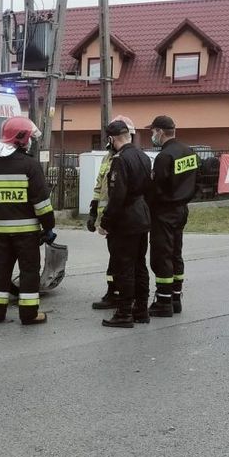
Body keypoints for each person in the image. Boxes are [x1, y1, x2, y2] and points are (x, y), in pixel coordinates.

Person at [0, 116, 55, 325]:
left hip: (2, 233)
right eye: (29, 137)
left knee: (1, 270)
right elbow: (42, 204)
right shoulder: (30, 166)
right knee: (29, 271)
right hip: (28, 234)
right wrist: (49, 227)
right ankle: (29, 314)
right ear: (23, 139)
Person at [97, 117, 152, 328]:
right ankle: (141, 310)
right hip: (141, 217)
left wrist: (106, 222)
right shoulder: (143, 157)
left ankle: (123, 313)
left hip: (126, 220)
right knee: (140, 265)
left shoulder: (120, 160)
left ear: (111, 139)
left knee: (124, 267)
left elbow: (117, 195)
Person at [146, 114, 198, 317]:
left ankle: (163, 302)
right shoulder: (190, 153)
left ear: (160, 132)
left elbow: (155, 188)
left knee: (162, 256)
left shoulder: (164, 157)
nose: (152, 135)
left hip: (164, 212)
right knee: (176, 253)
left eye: (152, 132)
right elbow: (198, 181)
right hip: (182, 210)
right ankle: (176, 298)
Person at [86, 122, 119, 310]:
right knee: (113, 256)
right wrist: (92, 212)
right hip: (106, 218)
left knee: (117, 258)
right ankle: (113, 291)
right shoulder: (108, 157)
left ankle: (116, 293)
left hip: (117, 218)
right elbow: (99, 187)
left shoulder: (124, 158)